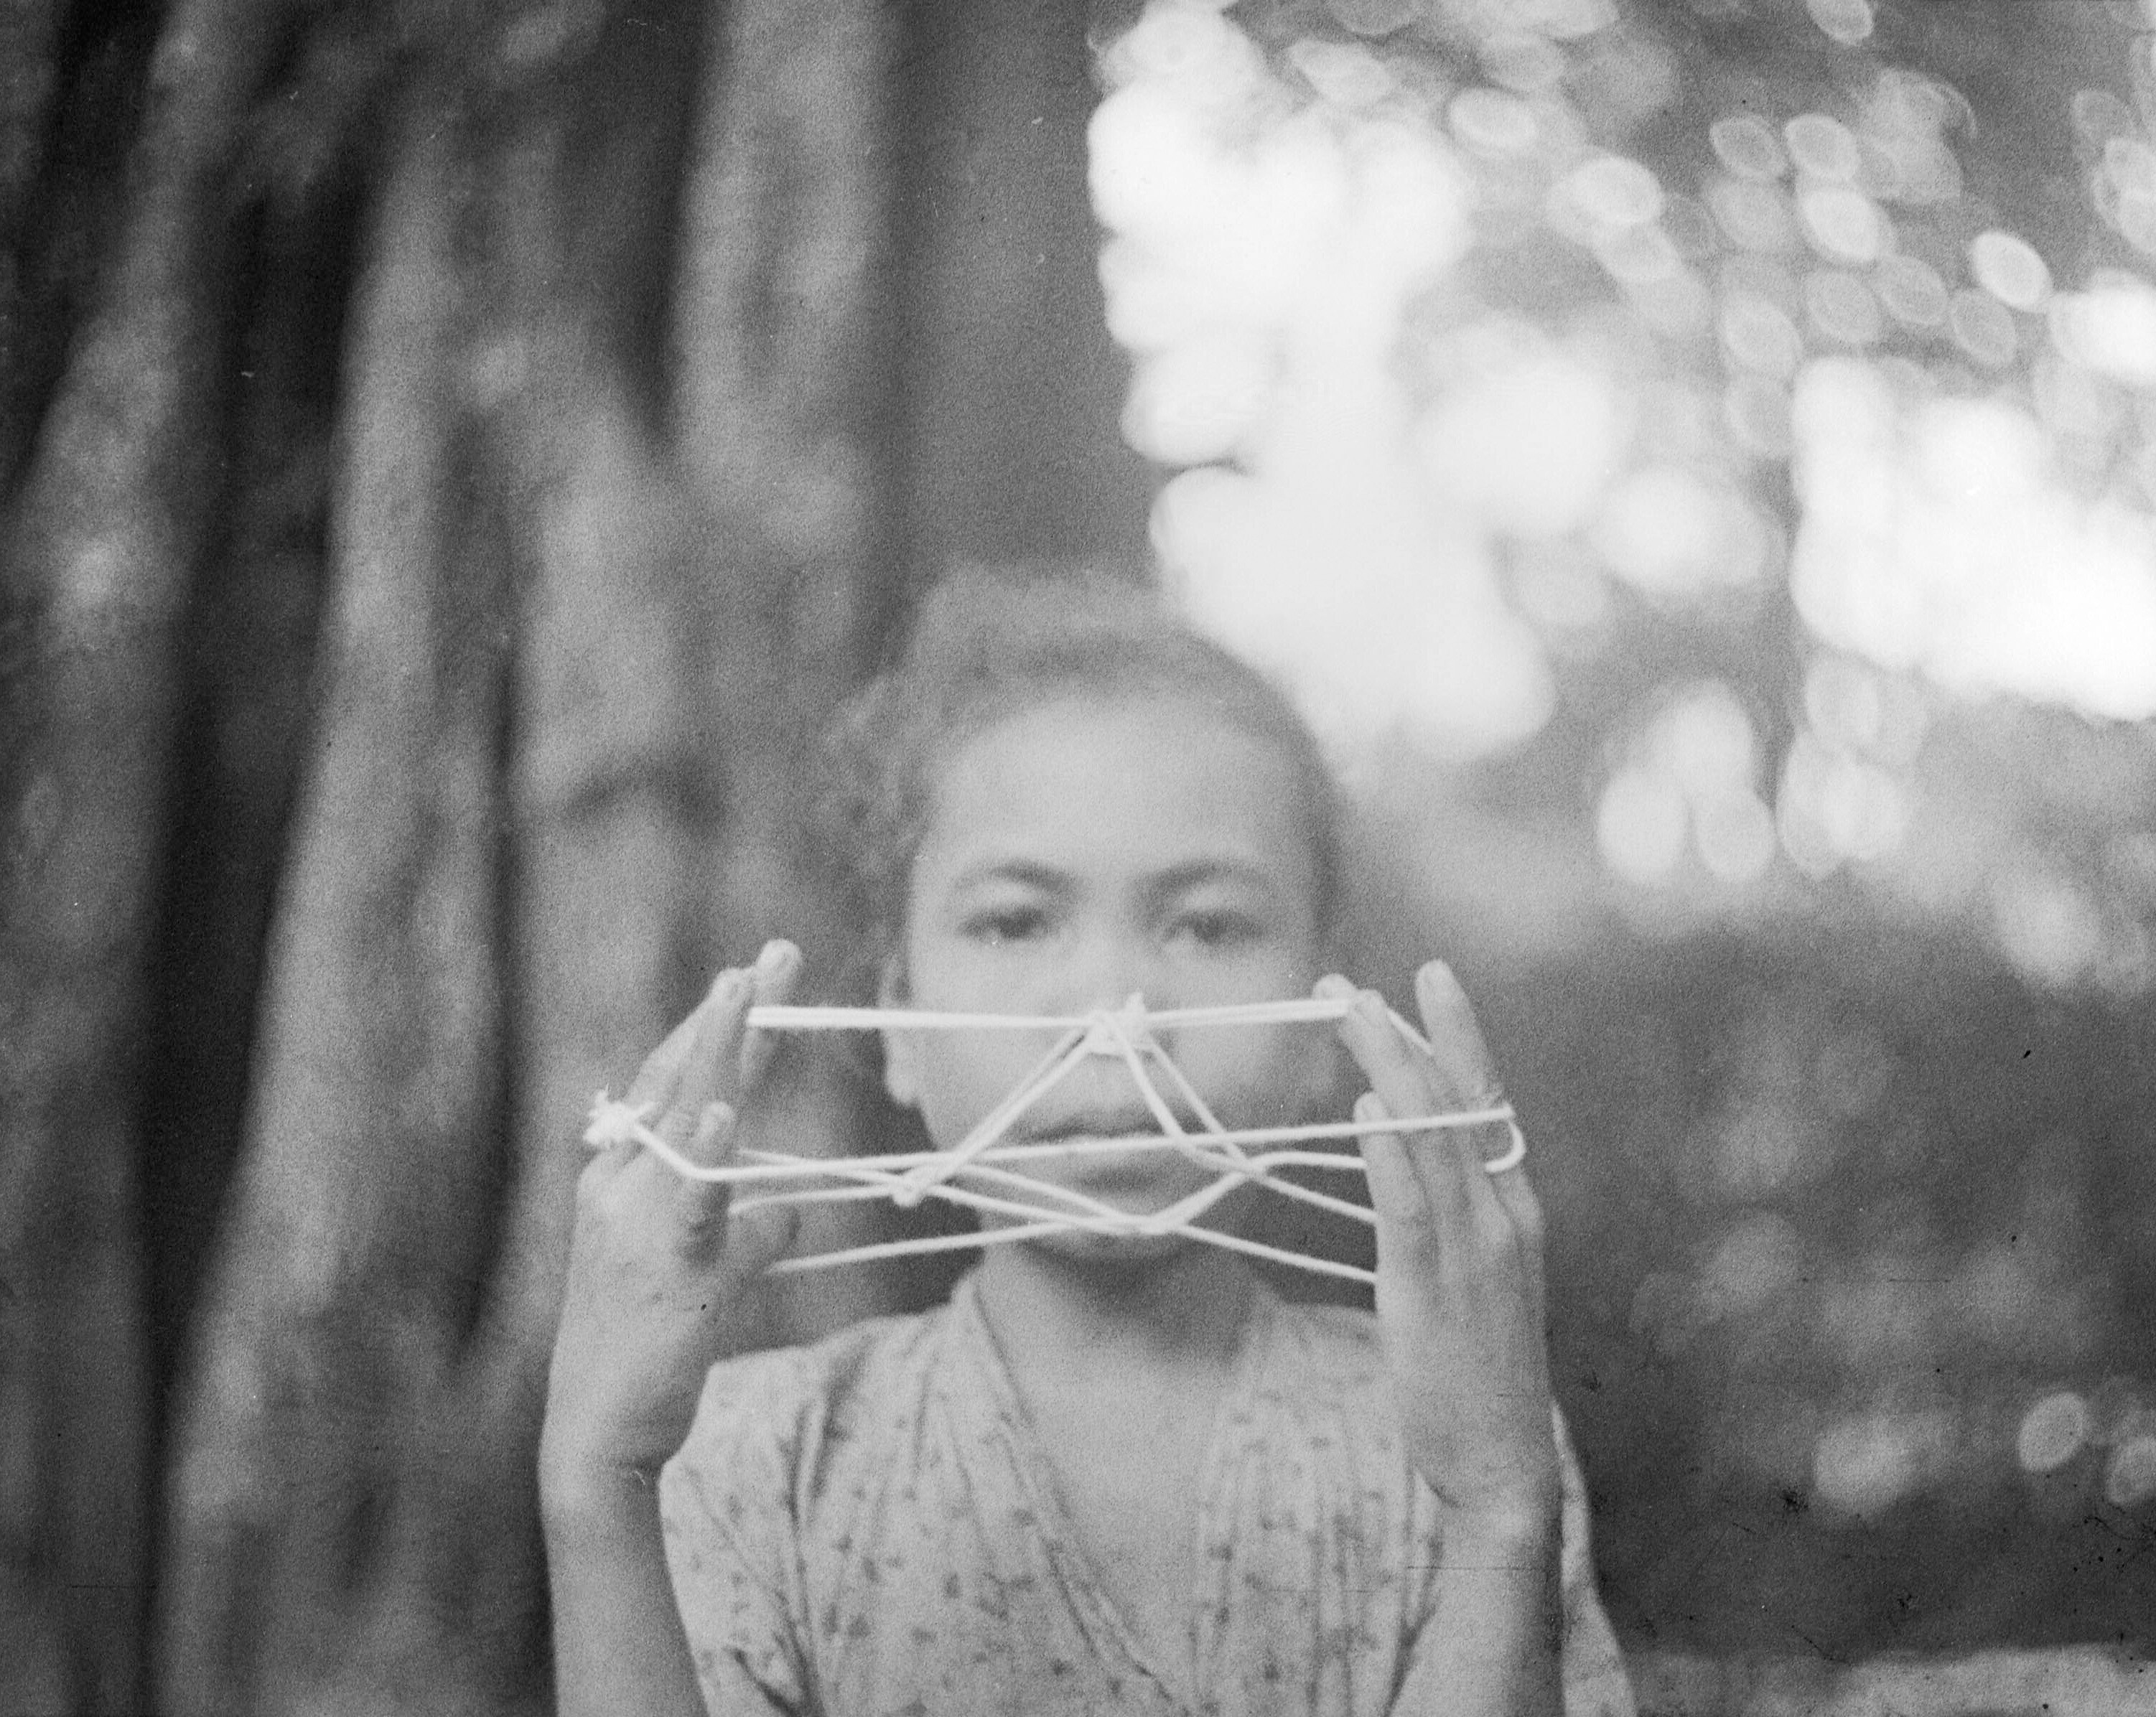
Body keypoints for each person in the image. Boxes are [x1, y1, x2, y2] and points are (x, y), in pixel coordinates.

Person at [540, 569, 1635, 1717]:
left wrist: (1498, 1513)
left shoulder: (1462, 1438)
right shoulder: (750, 1459)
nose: (1115, 1009)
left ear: (1327, 1025)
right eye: (1017, 921)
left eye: (1206, 926)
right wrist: (595, 1484)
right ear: (898, 1020)